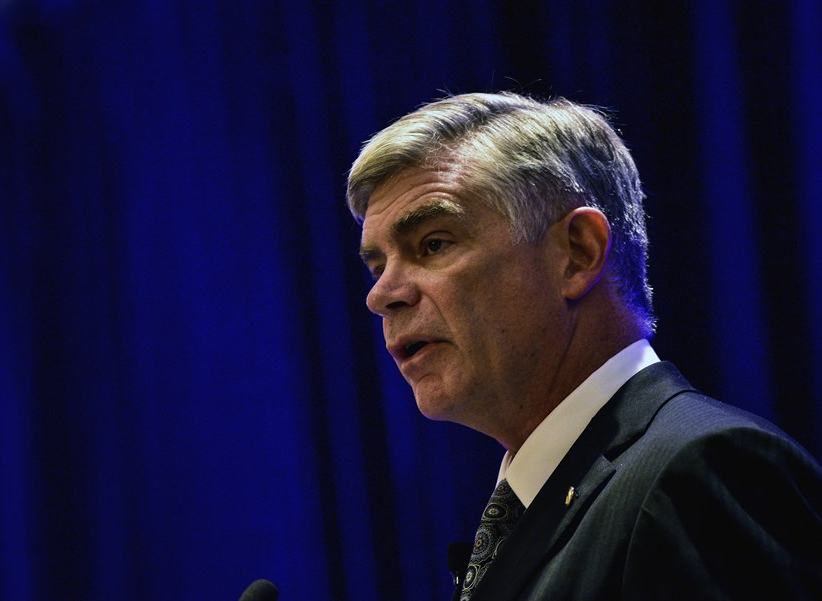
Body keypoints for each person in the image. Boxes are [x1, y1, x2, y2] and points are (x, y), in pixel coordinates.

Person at [346, 92, 822, 600]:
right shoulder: (548, 497)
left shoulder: (700, 471)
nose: (381, 295)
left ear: (577, 253)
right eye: (378, 267)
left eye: (434, 244)